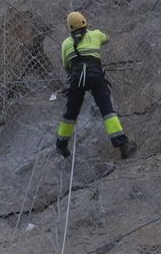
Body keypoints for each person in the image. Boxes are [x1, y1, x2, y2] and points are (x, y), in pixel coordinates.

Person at [56, 11, 138, 160]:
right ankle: (122, 145)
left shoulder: (65, 44)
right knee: (107, 110)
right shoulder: (96, 35)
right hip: (95, 76)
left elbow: (66, 66)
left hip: (77, 78)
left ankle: (61, 144)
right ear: (85, 23)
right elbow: (106, 38)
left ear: (69, 28)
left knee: (71, 113)